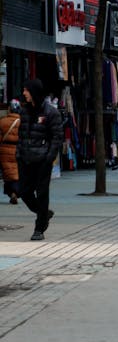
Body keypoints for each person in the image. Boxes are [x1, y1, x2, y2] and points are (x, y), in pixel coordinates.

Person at [17, 79, 63, 241]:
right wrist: (19, 155)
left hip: (42, 160)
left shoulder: (51, 113)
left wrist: (49, 157)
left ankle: (39, 228)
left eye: (26, 90)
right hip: (26, 159)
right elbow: (21, 136)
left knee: (42, 193)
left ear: (34, 92)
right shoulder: (24, 112)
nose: (24, 93)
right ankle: (44, 213)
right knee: (23, 191)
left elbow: (57, 137)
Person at [0, 99, 22, 203]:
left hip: (4, 150)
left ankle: (11, 192)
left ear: (9, 109)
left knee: (8, 172)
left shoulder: (2, 121)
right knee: (17, 171)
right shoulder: (22, 122)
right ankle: (15, 192)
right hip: (18, 149)